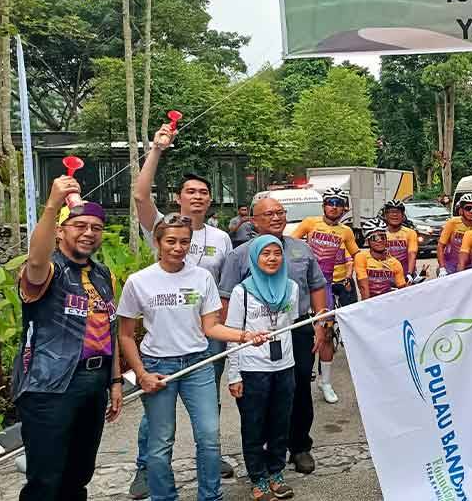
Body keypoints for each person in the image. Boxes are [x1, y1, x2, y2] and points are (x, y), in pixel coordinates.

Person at [117, 215, 268, 501]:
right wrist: (142, 374)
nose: (178, 247)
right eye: (171, 241)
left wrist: (245, 336)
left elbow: (211, 327)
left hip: (198, 365)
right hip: (158, 367)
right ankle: (164, 497)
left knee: (209, 437)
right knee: (161, 442)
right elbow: (124, 335)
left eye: (184, 241)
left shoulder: (202, 277)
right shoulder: (139, 281)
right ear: (157, 243)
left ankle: (210, 496)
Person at [130, 124, 236, 496]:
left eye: (203, 193)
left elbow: (225, 285)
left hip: (209, 335)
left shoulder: (221, 238)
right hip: (166, 339)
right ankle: (145, 467)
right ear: (178, 198)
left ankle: (211, 458)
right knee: (157, 418)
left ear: (209, 201)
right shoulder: (164, 227)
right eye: (190, 191)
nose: (197, 197)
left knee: (209, 411)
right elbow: (141, 196)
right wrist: (157, 150)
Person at [12, 181, 123, 501]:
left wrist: (114, 380)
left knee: (78, 476)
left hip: (94, 384)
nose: (89, 232)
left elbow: (108, 328)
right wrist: (52, 204)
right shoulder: (47, 271)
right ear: (60, 232)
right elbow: (35, 261)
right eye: (79, 225)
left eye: (96, 227)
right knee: (46, 480)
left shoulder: (103, 274)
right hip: (50, 387)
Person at [219, 196, 328, 475]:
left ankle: (299, 446)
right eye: (268, 214)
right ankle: (262, 449)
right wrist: (233, 338)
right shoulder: (239, 255)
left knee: (300, 387)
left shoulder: (301, 249)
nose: (277, 217)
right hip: (254, 335)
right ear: (254, 220)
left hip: (297, 328)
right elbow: (227, 299)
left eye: (280, 212)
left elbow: (317, 286)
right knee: (257, 393)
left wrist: (320, 323)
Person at [226, 235, 301, 501]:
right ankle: (257, 477)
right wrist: (233, 375)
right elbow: (232, 335)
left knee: (281, 423)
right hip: (252, 368)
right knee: (254, 425)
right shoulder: (241, 292)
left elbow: (289, 323)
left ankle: (276, 472)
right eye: (265, 254)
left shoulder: (291, 287)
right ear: (255, 258)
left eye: (276, 253)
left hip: (284, 366)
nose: (271, 258)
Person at [289, 186, 358, 405]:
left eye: (339, 204)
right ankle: (295, 375)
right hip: (301, 282)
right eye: (330, 203)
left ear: (344, 209)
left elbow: (356, 255)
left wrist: (351, 274)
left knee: (327, 333)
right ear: (324, 206)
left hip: (326, 284)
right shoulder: (310, 223)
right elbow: (289, 245)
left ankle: (325, 381)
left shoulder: (345, 232)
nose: (334, 207)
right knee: (295, 329)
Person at [354, 218, 406, 299]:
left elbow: (402, 291)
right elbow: (363, 287)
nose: (380, 241)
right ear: (368, 241)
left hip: (388, 302)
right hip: (369, 302)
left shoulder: (395, 263)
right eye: (375, 238)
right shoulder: (361, 257)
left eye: (382, 237)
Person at [437, 193, 472, 276]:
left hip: (471, 265)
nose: (471, 211)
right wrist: (442, 267)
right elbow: (440, 246)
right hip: (451, 264)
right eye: (468, 208)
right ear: (461, 210)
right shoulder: (452, 222)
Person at [382, 199, 418, 282]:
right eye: (391, 212)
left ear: (403, 216)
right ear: (385, 215)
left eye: (398, 212)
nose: (395, 215)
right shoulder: (381, 233)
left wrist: (410, 273)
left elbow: (412, 253)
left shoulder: (410, 233)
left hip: (406, 274)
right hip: (386, 275)